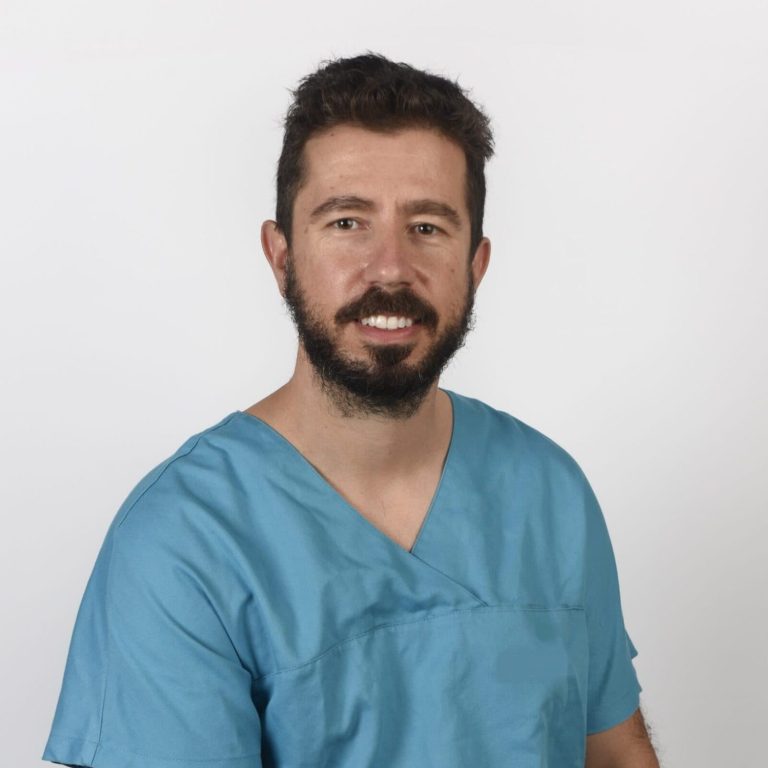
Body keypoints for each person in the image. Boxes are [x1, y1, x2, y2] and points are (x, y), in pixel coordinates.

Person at [42, 53, 660, 767]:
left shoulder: (550, 495)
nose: (390, 267)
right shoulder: (183, 544)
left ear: (476, 264)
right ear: (281, 257)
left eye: (428, 227)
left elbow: (616, 753)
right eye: (346, 223)